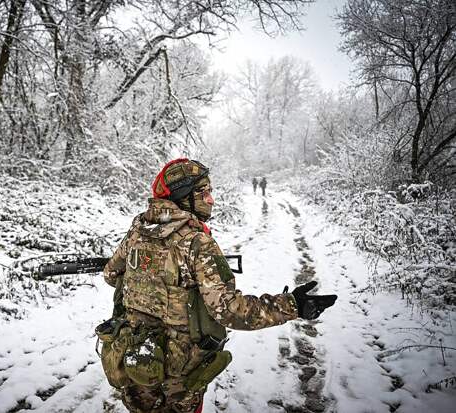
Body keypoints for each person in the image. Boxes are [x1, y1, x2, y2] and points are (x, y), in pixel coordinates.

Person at [99, 159, 337, 413]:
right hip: (178, 375)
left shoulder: (137, 232)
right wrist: (291, 305)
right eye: (204, 193)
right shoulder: (196, 243)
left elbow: (112, 275)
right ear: (183, 196)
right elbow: (230, 311)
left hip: (135, 361)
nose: (211, 200)